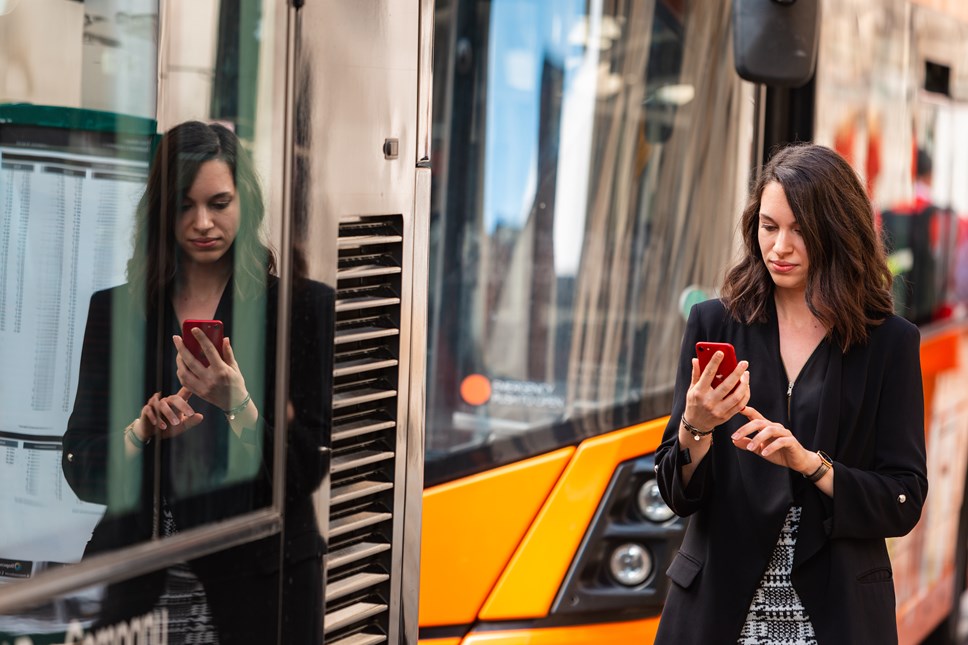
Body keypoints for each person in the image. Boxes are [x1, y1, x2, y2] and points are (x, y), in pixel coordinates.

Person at [62, 121, 330, 644]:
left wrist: (239, 406)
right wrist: (139, 432)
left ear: (245, 204)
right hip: (139, 591)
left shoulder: (302, 309)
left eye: (219, 202)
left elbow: (305, 469)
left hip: (263, 584)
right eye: (184, 205)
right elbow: (81, 468)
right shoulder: (116, 311)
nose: (202, 222)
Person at [654, 144, 928, 644]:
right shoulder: (714, 322)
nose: (779, 246)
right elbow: (676, 492)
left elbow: (903, 499)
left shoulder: (890, 343)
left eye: (800, 230)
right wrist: (695, 426)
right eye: (769, 226)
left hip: (836, 615)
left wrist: (810, 464)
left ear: (837, 231)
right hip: (718, 610)